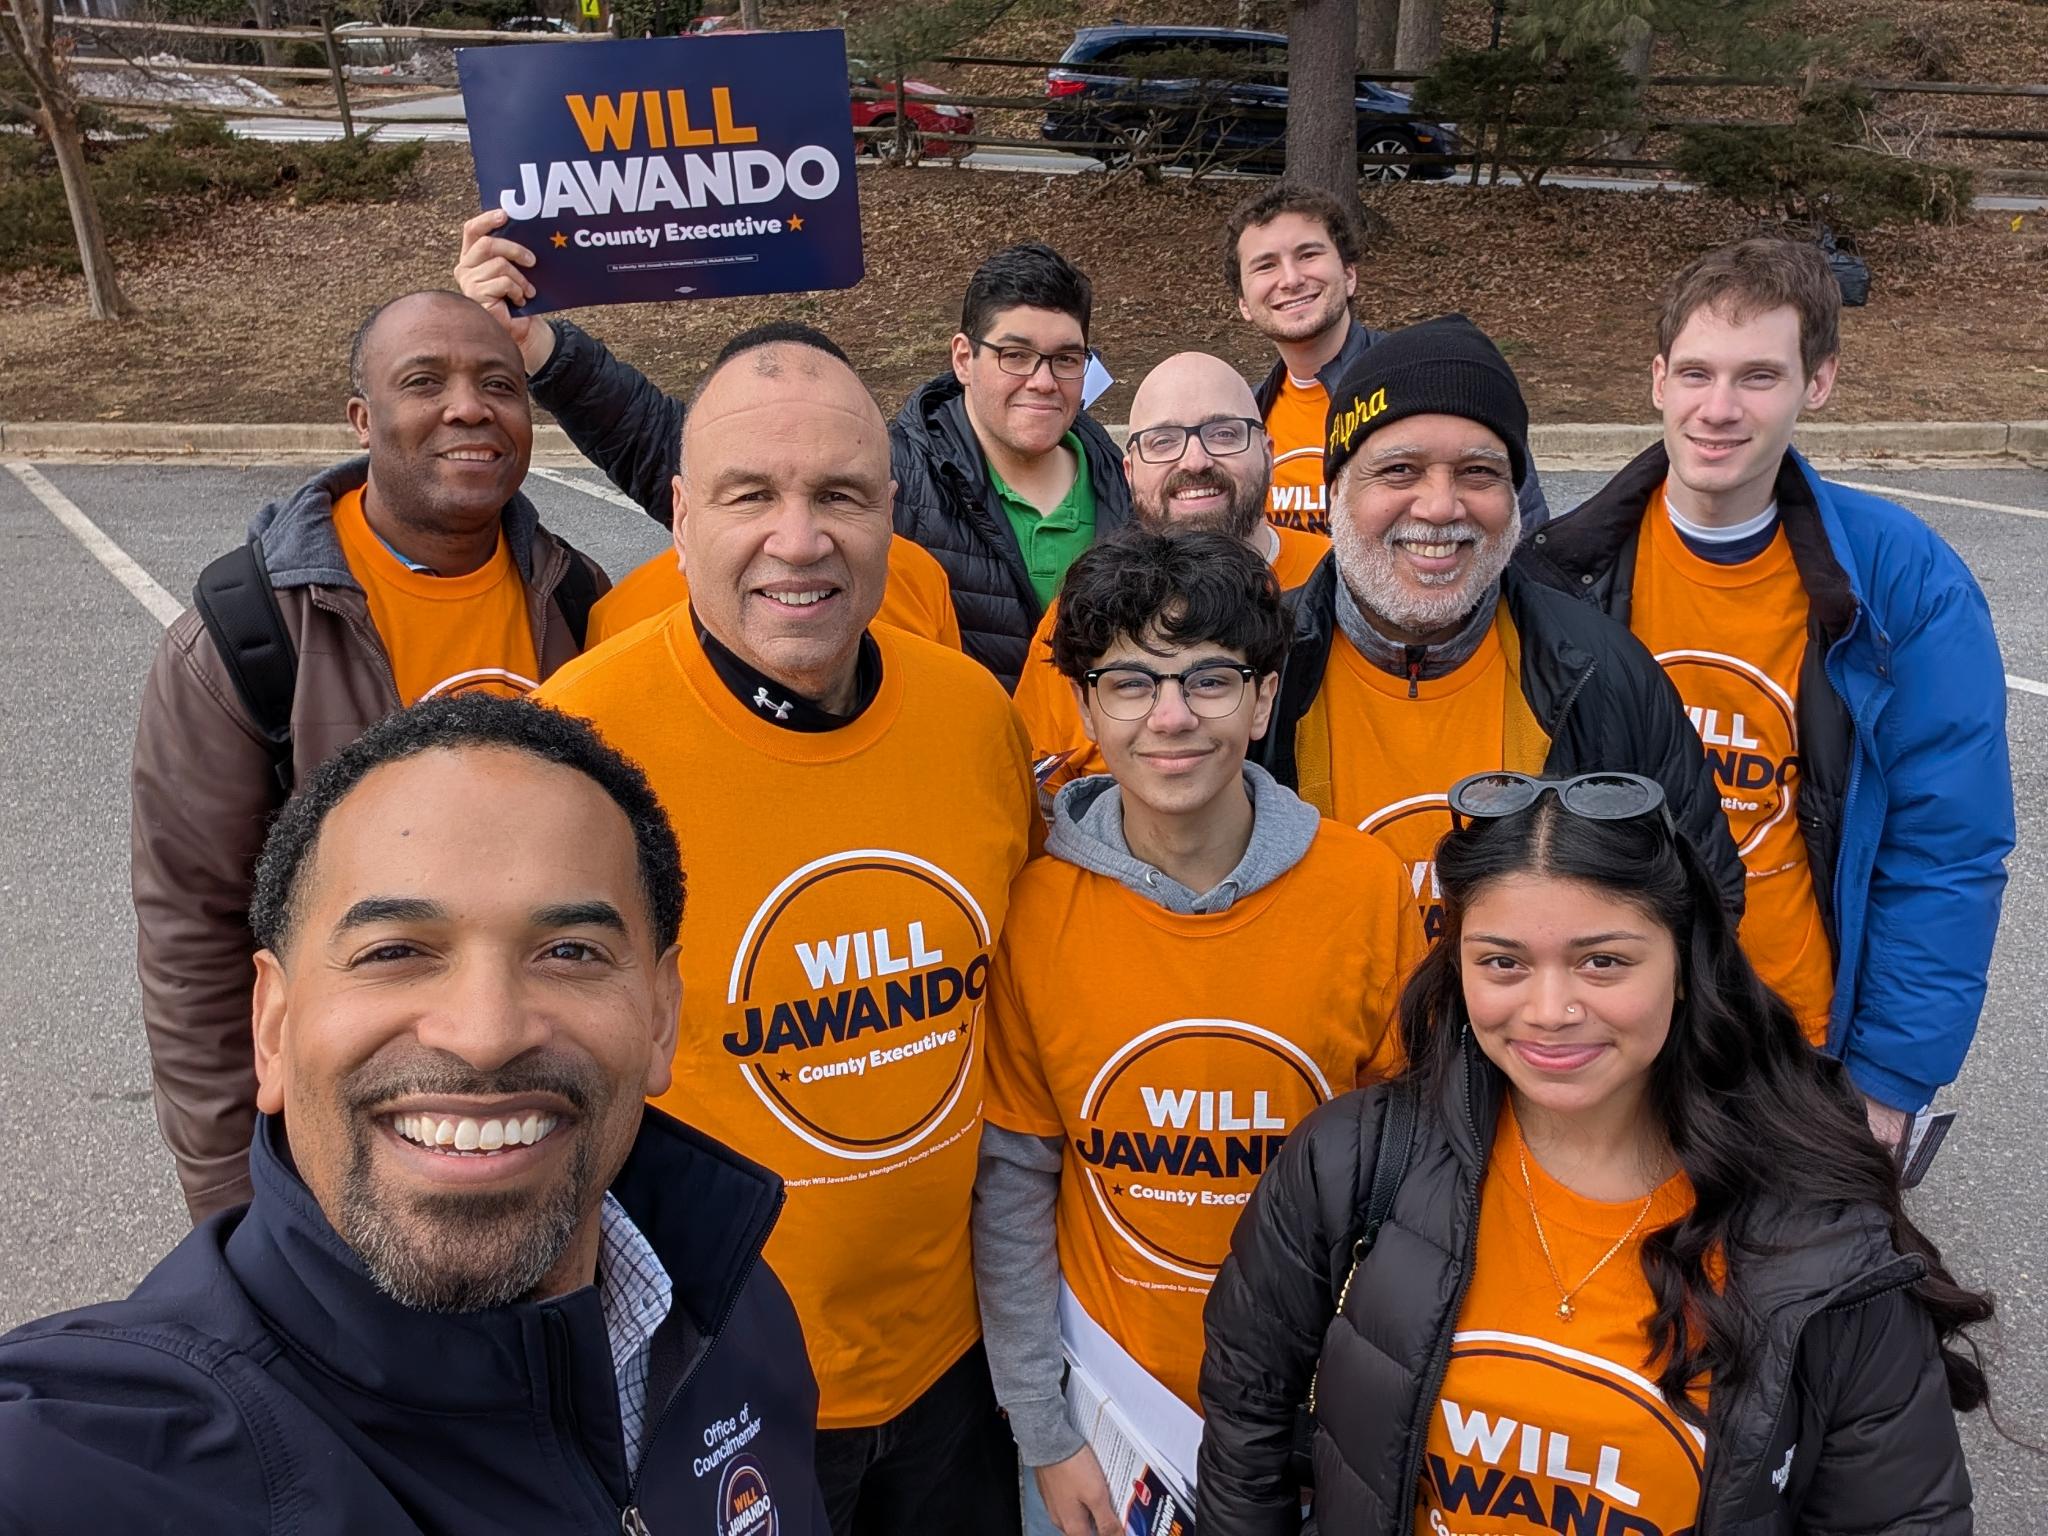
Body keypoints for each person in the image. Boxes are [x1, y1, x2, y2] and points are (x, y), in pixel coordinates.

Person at [4, 696, 827, 1533]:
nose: (485, 1035)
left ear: (660, 1017)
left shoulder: (732, 1306)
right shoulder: (104, 1454)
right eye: (394, 952)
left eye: (569, 953)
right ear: (272, 1027)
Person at [535, 321, 1038, 1533]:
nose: (798, 539)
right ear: (680, 514)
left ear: (891, 512)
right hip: (706, 1382)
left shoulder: (972, 715)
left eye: (840, 496)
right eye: (749, 494)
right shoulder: (574, 745)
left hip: (950, 1366)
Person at [1197, 771, 1992, 1534]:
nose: (1549, 1011)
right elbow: (1246, 1417)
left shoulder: (1821, 1241)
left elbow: (1896, 1518)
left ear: (1685, 966)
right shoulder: (1352, 1162)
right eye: (1503, 962)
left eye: (1602, 960)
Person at [1517, 237, 2013, 1146]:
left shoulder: (1903, 582)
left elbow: (1946, 849)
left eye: (1758, 377)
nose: (1718, 408)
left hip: (1793, 1046)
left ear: (1816, 383)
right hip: (1608, 1039)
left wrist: (1890, 1082)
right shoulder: (1563, 575)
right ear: (1657, 378)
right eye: (1697, 372)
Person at [978, 530, 1424, 1536]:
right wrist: (1044, 1429)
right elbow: (1013, 1177)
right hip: (1110, 1413)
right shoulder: (1034, 908)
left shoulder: (1363, 892)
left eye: (1209, 680)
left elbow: (1411, 1179)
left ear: (1264, 699)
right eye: (1130, 683)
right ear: (1086, 706)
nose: (1170, 717)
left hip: (1313, 1413)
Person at [131, 289, 610, 1223]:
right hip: (350, 1135)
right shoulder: (247, 636)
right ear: (363, 418)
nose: (469, 407)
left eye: (500, 385)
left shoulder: (579, 604)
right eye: (423, 382)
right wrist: (233, 1206)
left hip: (538, 1104)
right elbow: (192, 935)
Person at [455, 215, 1131, 685]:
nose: (1042, 380)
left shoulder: (1123, 477)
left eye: (1065, 358)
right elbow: (671, 445)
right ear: (964, 356)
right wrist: (540, 349)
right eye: (1015, 354)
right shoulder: (886, 471)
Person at [1253, 314, 1742, 938]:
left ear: (1516, 496)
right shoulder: (1249, 669)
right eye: (1399, 470)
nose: (1439, 506)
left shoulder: (1606, 676)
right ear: (1336, 490)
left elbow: (1700, 908)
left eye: (1478, 472)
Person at [1012, 353, 1327, 796]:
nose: (1195, 460)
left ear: (1268, 453)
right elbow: (1039, 792)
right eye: (1163, 441)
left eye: (1223, 434)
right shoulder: (1084, 612)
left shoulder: (1337, 586)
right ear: (1130, 470)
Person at [1223, 183, 1549, 536]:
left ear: (1349, 275)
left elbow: (1522, 534)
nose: (1290, 279)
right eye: (1266, 265)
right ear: (1243, 304)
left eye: (1308, 255)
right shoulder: (1247, 419)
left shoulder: (1433, 382)